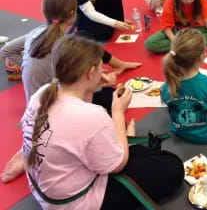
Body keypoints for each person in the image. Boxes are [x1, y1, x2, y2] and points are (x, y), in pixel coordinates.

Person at [17, 35, 184, 209]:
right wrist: (118, 112)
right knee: (172, 166)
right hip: (76, 202)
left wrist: (93, 86)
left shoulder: (43, 93)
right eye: (99, 68)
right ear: (90, 72)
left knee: (142, 153)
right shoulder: (92, 116)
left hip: (46, 189)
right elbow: (118, 165)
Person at [0, 0, 138, 184]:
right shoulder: (63, 46)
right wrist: (100, 86)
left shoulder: (35, 32)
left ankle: (29, 149)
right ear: (73, 15)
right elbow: (73, 85)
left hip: (34, 103)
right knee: (109, 98)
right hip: (52, 103)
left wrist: (24, 65)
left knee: (102, 94)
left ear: (45, 12)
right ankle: (25, 153)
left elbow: (6, 50)